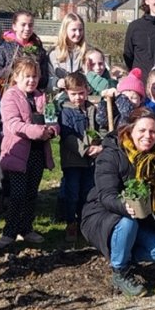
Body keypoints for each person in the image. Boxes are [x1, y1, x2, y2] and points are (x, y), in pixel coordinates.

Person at [80, 108, 155, 297]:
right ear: (129, 131)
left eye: (152, 131)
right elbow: (106, 195)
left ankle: (123, 254)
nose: (148, 136)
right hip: (102, 214)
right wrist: (125, 206)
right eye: (142, 131)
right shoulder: (111, 154)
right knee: (127, 222)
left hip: (139, 218)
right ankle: (120, 271)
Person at [0, 56, 58, 248]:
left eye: (34, 76)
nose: (31, 80)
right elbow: (13, 124)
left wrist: (53, 130)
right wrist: (39, 132)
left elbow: (52, 117)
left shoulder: (41, 96)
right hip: (18, 154)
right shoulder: (10, 96)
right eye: (27, 77)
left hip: (38, 153)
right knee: (17, 195)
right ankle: (9, 232)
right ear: (16, 76)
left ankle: (27, 228)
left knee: (32, 193)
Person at [59, 72, 102, 243]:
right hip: (73, 160)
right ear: (67, 93)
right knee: (72, 192)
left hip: (91, 160)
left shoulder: (92, 109)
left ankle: (85, 223)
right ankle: (70, 222)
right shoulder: (65, 111)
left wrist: (100, 146)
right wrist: (84, 149)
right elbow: (68, 136)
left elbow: (100, 129)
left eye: (81, 93)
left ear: (87, 90)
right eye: (74, 94)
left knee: (87, 192)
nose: (78, 98)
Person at [0, 10, 51, 90]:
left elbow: (44, 77)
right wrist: (14, 69)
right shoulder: (4, 47)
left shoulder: (39, 50)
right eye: (23, 25)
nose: (27, 28)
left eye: (30, 25)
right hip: (9, 91)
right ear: (14, 26)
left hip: (32, 93)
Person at [98, 67, 145, 133]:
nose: (129, 100)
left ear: (141, 100)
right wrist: (104, 102)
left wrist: (119, 96)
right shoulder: (117, 108)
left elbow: (127, 112)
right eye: (125, 97)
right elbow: (101, 121)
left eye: (133, 97)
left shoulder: (139, 113)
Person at [49, 12, 88, 91]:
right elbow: (46, 79)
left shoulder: (88, 52)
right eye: (74, 30)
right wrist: (56, 82)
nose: (78, 34)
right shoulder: (53, 53)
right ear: (65, 30)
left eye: (80, 30)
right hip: (60, 97)